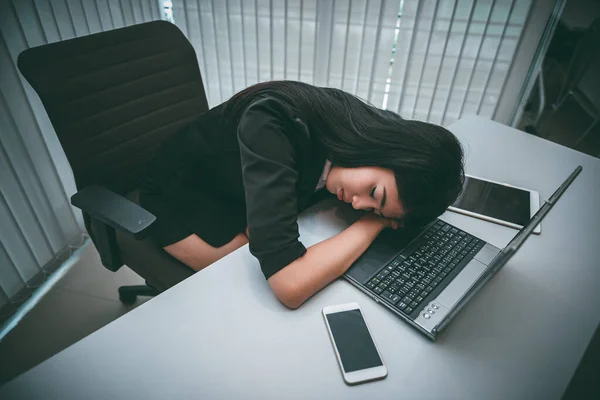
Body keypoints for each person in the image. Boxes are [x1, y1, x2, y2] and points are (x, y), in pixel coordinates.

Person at [139, 80, 464, 309]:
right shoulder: (272, 122)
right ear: (385, 149)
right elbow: (289, 285)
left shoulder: (363, 136)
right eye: (374, 194)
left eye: (377, 211)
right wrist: (371, 225)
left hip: (244, 186)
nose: (359, 204)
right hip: (180, 195)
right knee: (242, 284)